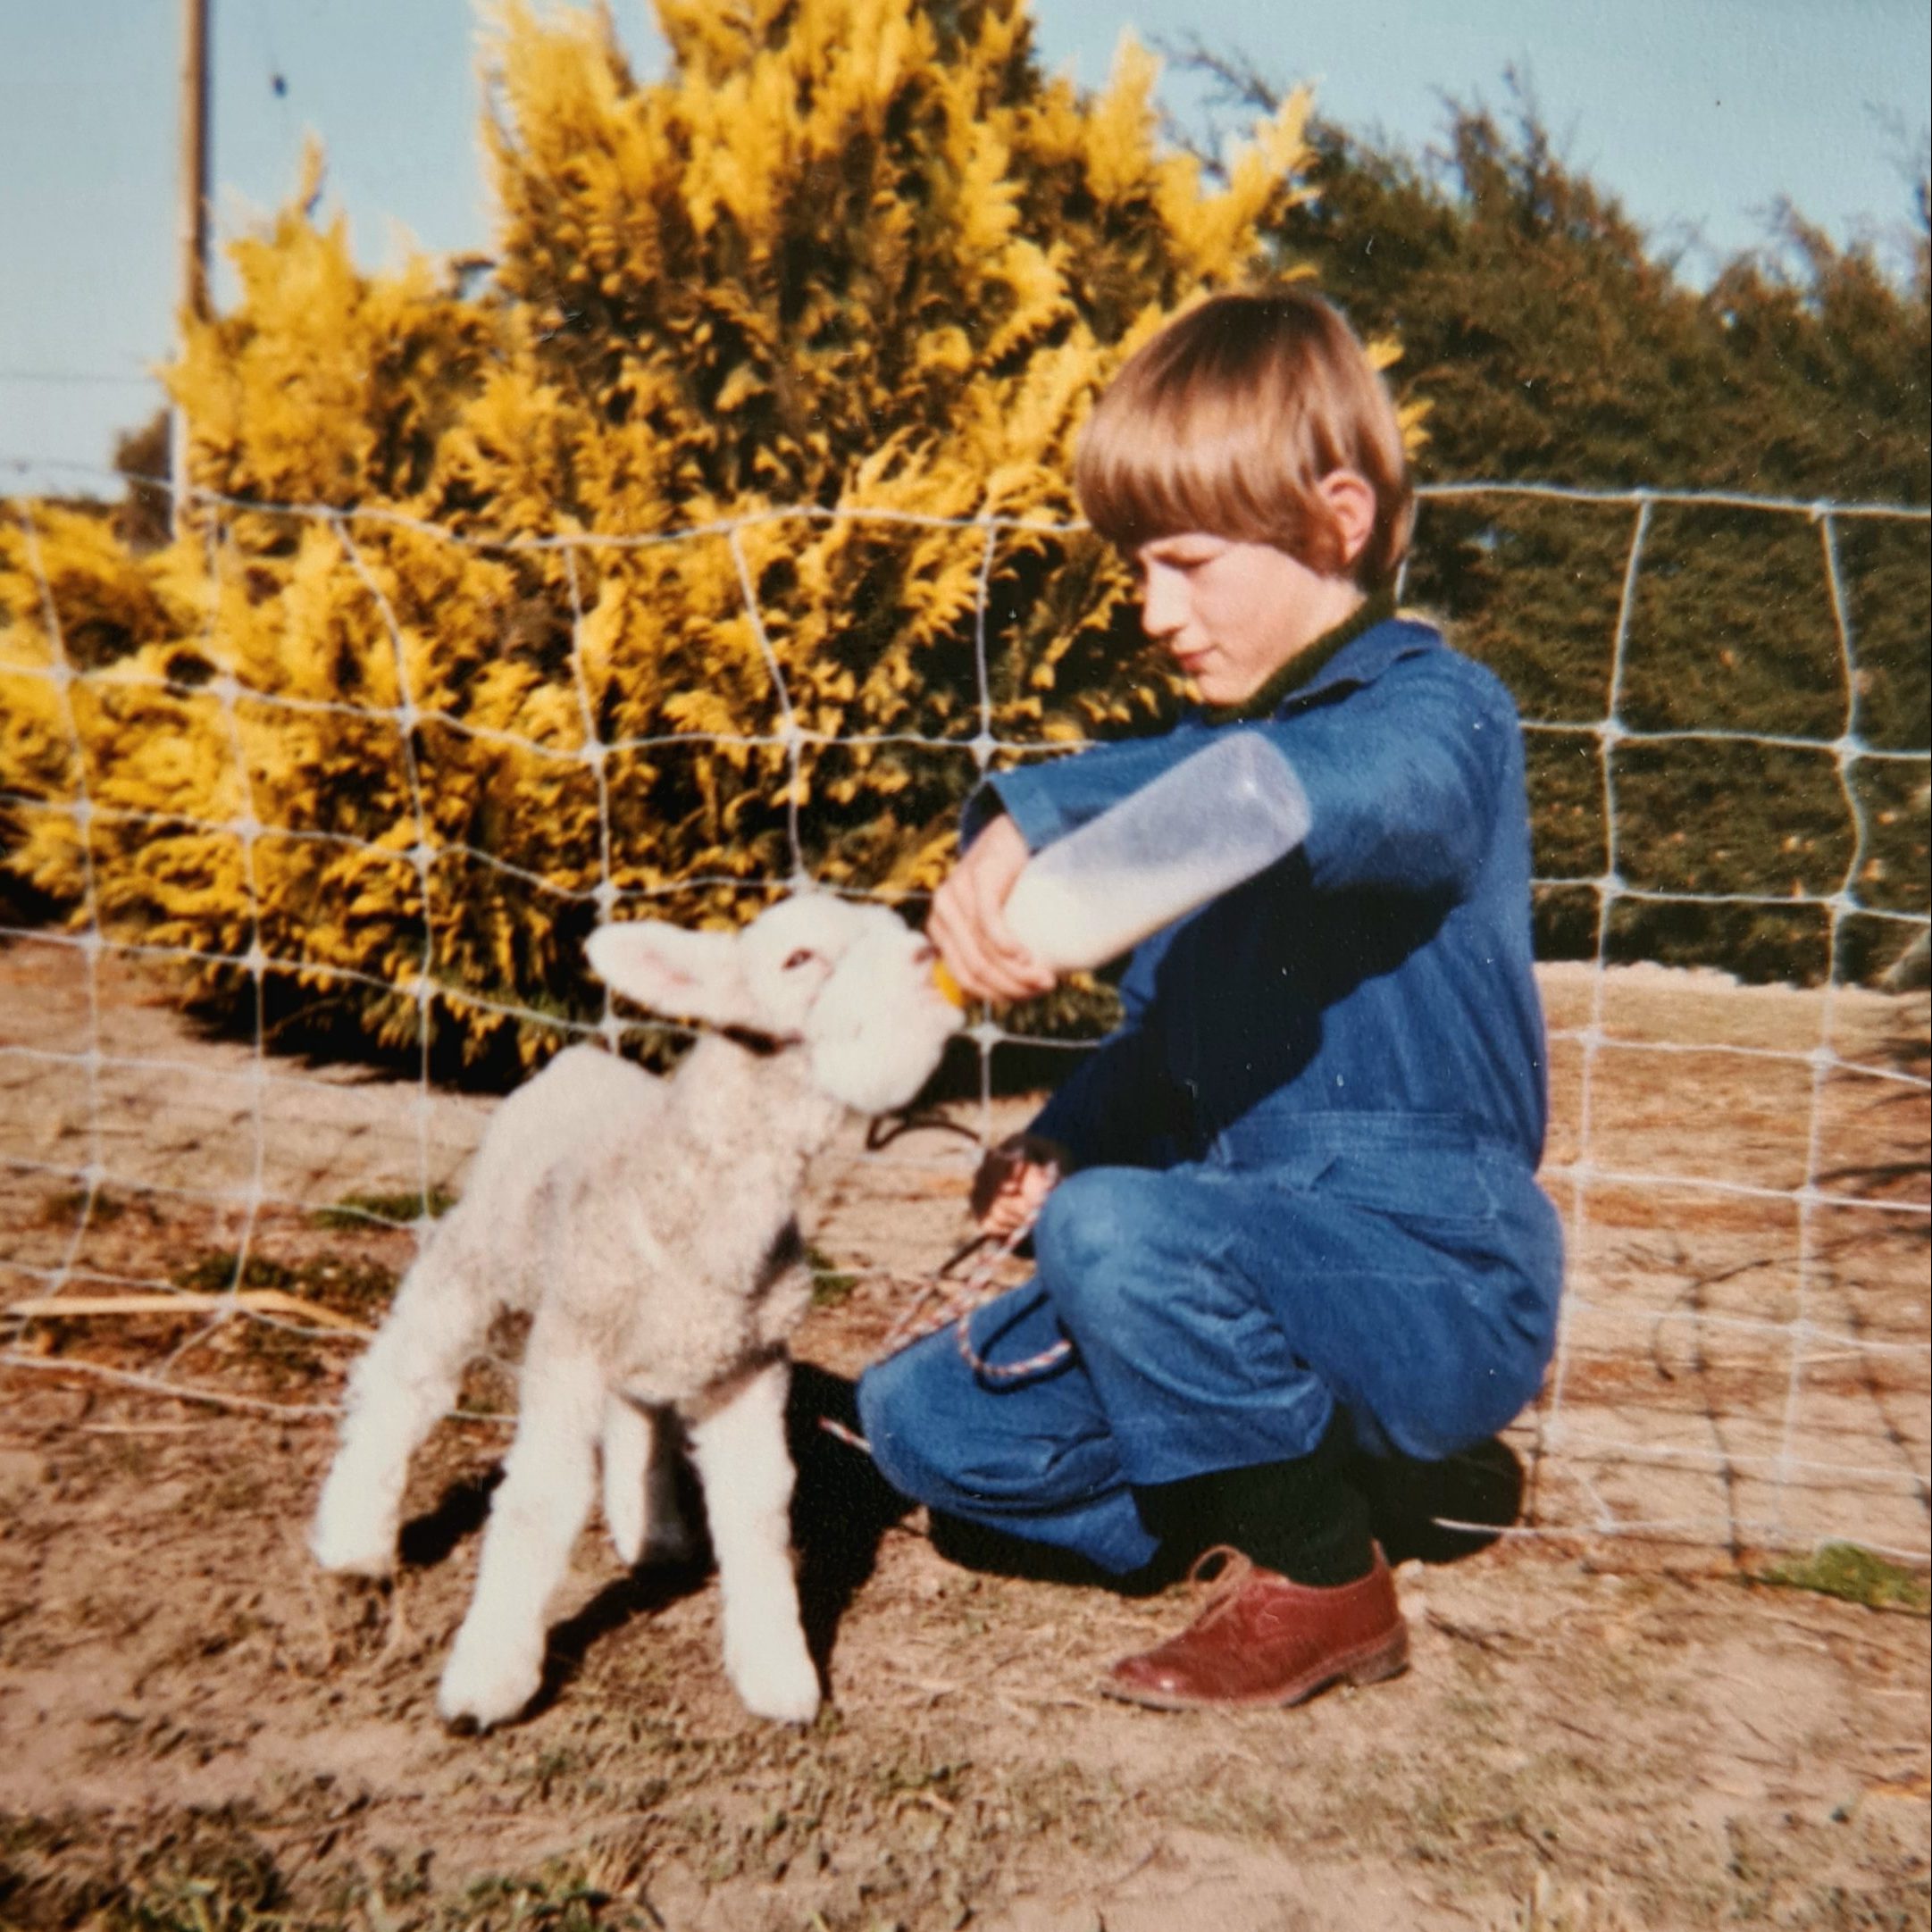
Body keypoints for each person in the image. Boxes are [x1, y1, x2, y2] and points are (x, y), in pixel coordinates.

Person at [855, 288, 1564, 1712]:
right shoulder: (1204, 781)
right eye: (1135, 569)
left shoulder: (1443, 717)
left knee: (1115, 1229)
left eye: (1183, 561)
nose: (1152, 613)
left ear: (1336, 518)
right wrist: (1062, 1134)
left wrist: (1037, 815)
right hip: (1240, 1263)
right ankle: (1295, 1479)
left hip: (1430, 1271)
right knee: (916, 1419)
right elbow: (1159, 1039)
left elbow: (1294, 797)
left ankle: (1323, 1577)